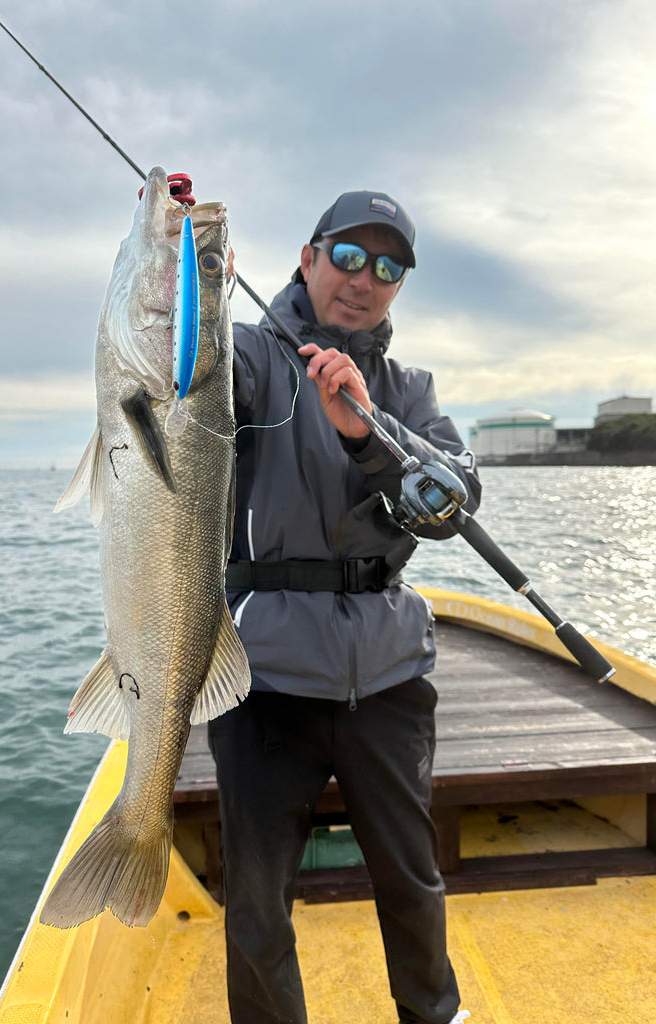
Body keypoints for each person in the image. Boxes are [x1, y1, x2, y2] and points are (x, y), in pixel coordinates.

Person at [208, 188, 482, 1024]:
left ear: (399, 288)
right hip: (267, 679)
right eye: (350, 257)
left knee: (412, 880)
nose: (365, 280)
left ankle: (433, 1015)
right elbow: (187, 371)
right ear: (308, 258)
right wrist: (190, 275)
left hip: (389, 676)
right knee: (257, 903)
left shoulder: (409, 388)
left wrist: (367, 435)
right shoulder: (251, 359)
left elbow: (453, 502)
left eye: (388, 267)